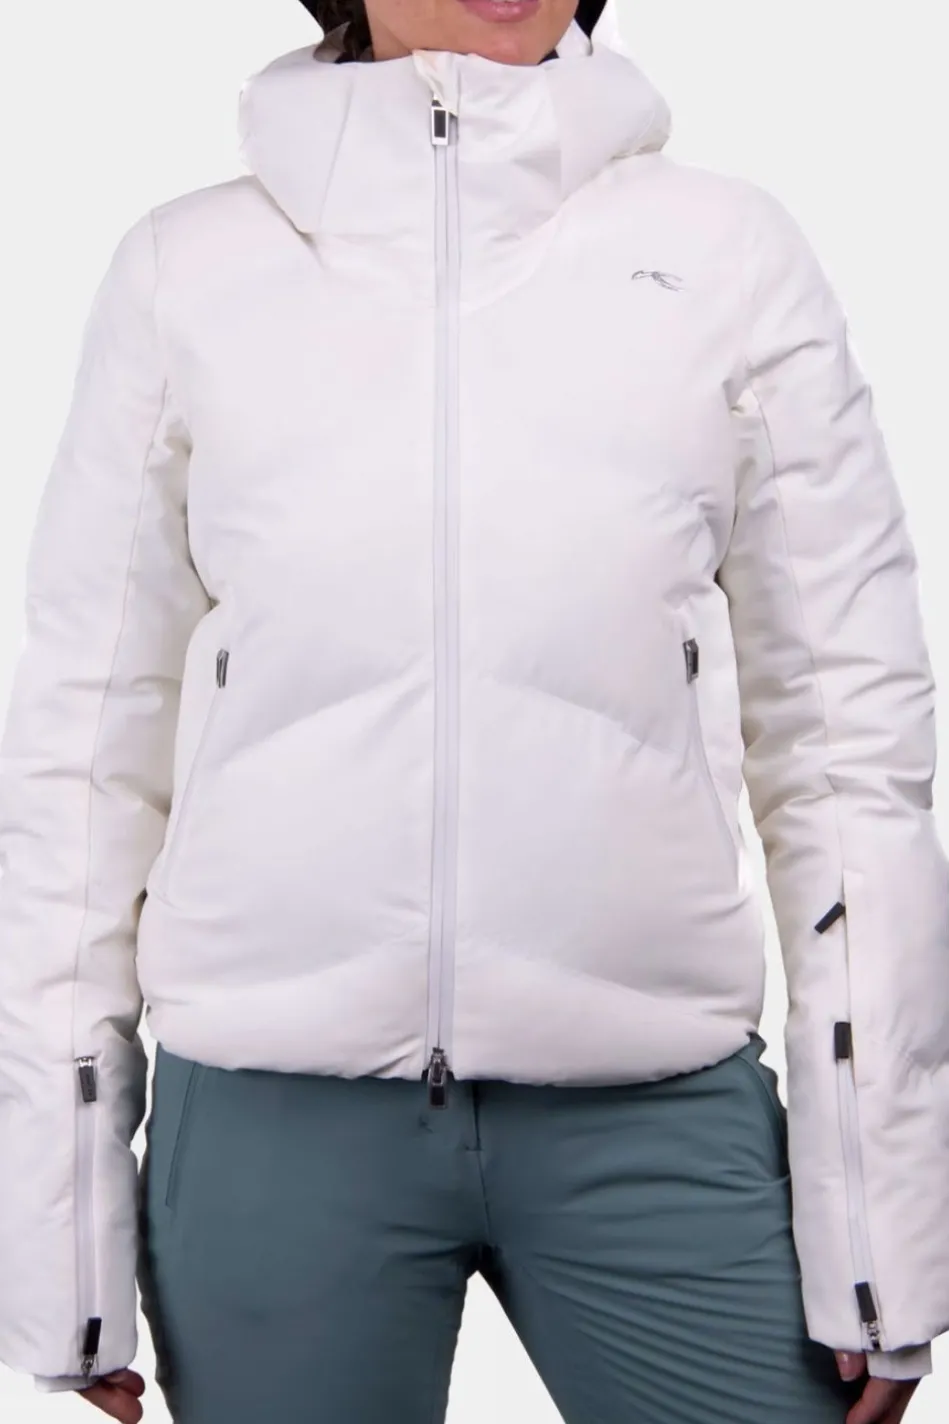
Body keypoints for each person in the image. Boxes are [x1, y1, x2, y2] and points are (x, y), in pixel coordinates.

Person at [0, 1, 946, 1420]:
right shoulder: (184, 272)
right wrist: (56, 1231)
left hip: (655, 1103)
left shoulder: (729, 256)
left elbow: (847, 741)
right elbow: (82, 755)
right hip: (273, 1118)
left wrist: (884, 1222)